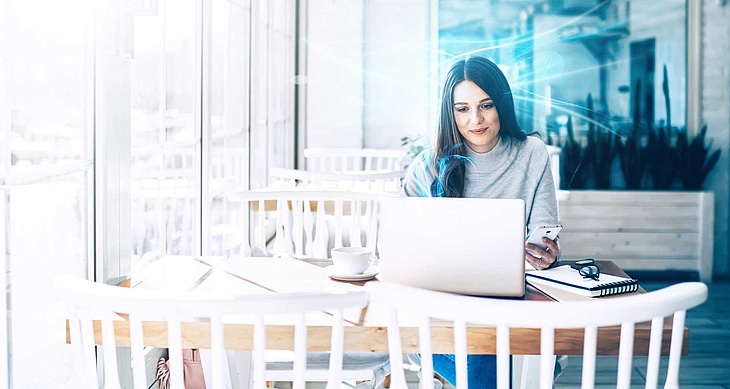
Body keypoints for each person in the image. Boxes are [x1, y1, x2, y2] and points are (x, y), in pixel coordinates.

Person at [400, 56, 561, 388]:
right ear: (450, 112)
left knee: (492, 347)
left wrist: (544, 253)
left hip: (512, 308)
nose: (475, 119)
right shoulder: (428, 164)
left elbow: (544, 231)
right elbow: (398, 246)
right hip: (438, 313)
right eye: (462, 109)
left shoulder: (531, 152)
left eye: (486, 105)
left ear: (502, 103)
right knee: (495, 356)